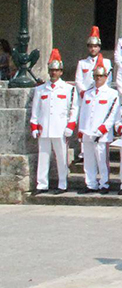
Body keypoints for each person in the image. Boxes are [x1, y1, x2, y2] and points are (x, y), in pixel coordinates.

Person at [29, 49, 77, 195]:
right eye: (51, 70)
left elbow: (74, 109)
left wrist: (70, 125)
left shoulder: (69, 89)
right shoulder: (41, 89)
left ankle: (62, 184)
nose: (54, 73)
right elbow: (35, 109)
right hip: (44, 127)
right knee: (43, 156)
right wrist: (34, 125)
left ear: (61, 72)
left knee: (61, 157)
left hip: (60, 127)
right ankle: (42, 184)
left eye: (56, 70)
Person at [77, 57, 119, 193]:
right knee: (88, 161)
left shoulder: (112, 94)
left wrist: (103, 129)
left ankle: (104, 183)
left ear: (106, 77)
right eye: (96, 76)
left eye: (101, 76)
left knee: (102, 160)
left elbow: (112, 114)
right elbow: (83, 113)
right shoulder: (88, 94)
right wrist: (80, 130)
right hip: (87, 131)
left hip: (102, 133)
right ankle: (90, 183)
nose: (98, 78)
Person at [75, 26, 103, 95]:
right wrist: (83, 92)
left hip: (100, 94)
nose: (93, 49)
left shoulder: (106, 62)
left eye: (95, 46)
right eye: (91, 46)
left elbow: (108, 80)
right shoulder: (82, 63)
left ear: (99, 47)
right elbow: (78, 80)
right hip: (85, 94)